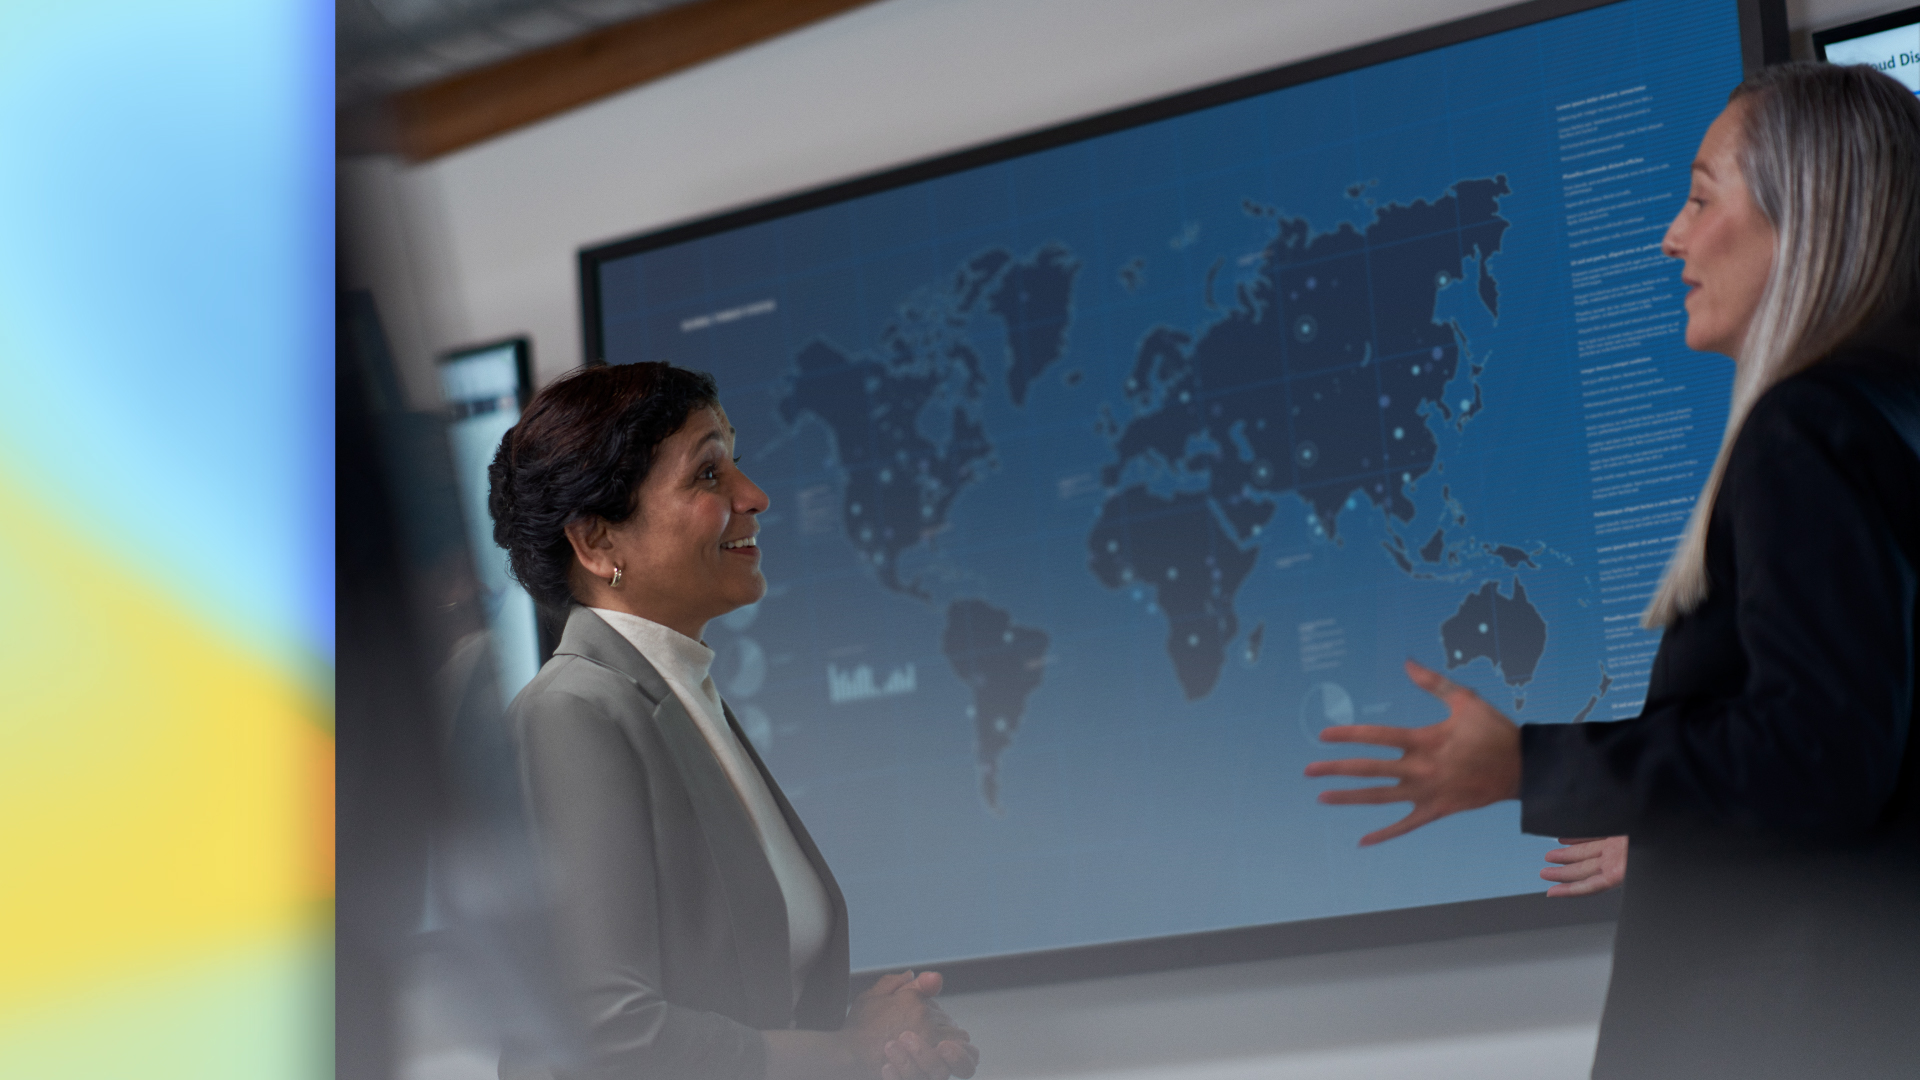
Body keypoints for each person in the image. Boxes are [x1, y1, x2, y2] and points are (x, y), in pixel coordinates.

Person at [1305, 62, 1920, 1078]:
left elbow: (1822, 757)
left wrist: (1529, 767)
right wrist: (1686, 840)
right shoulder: (1892, 422)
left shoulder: (1808, 430)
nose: (1672, 237)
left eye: (1700, 197)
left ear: (1805, 216)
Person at [488, 362, 980, 1080]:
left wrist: (879, 1029)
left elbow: (735, 996)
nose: (754, 496)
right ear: (597, 543)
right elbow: (610, 1036)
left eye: (734, 466)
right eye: (708, 475)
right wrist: (846, 1055)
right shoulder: (572, 711)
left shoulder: (685, 694)